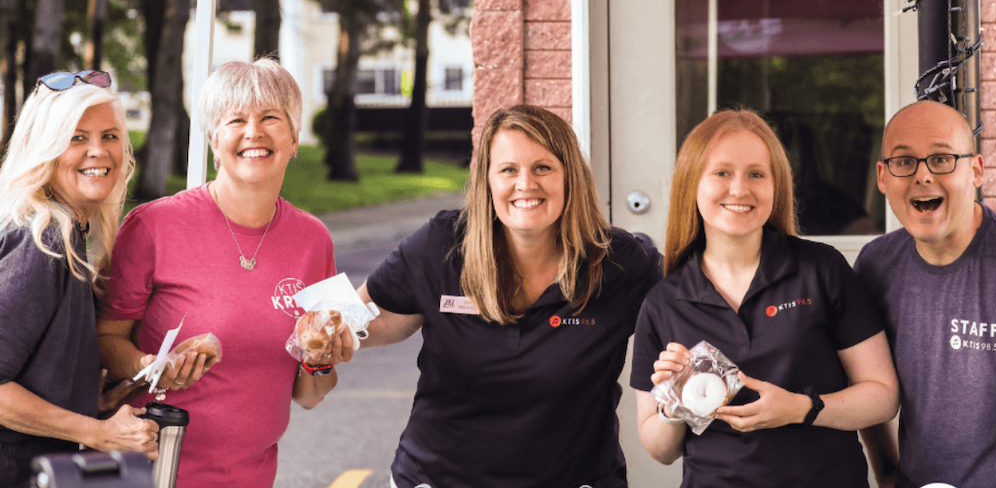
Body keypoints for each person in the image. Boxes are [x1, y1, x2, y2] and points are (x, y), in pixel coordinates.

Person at [354, 104, 662, 487]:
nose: (525, 184)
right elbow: (362, 317)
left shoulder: (618, 262)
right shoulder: (441, 246)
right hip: (438, 478)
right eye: (508, 170)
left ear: (571, 177)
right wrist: (320, 335)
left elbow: (695, 304)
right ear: (487, 180)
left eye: (543, 167)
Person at [96, 58, 353, 488]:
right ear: (215, 141)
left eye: (271, 117)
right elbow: (105, 340)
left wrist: (321, 362)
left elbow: (309, 395)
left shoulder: (314, 239)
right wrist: (151, 364)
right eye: (236, 120)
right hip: (152, 469)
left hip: (252, 474)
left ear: (293, 139)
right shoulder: (153, 226)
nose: (254, 131)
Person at [631, 109, 899, 487]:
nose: (740, 189)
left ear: (777, 186)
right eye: (722, 173)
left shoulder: (821, 270)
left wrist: (801, 409)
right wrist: (679, 398)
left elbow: (883, 397)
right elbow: (661, 450)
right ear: (693, 182)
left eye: (756, 174)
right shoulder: (663, 302)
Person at [0, 71, 159, 487]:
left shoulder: (71, 235)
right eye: (76, 138)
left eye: (109, 136)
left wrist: (85, 400)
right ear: (45, 149)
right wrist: (98, 432)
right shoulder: (43, 240)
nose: (98, 151)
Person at [855, 100, 996, 488]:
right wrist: (887, 473)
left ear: (976, 170)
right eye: (904, 162)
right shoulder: (874, 266)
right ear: (882, 176)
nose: (922, 176)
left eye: (942, 159)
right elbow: (864, 383)